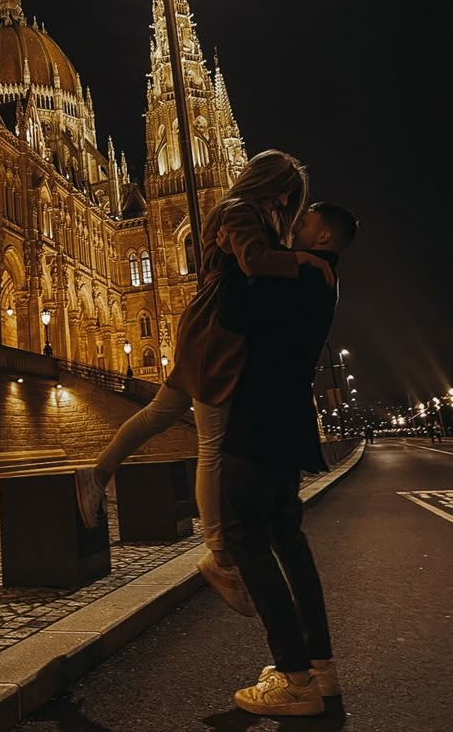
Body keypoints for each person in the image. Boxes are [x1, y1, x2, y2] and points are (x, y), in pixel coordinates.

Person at [75, 150, 334, 615]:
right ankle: (218, 554)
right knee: (210, 443)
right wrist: (302, 260)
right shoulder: (238, 211)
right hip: (217, 336)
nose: (284, 201)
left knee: (159, 414)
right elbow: (254, 262)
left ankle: (96, 475)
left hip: (206, 329)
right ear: (267, 184)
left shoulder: (240, 211)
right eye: (284, 192)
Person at [216, 201, 358, 717]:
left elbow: (236, 316)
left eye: (304, 223)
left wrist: (234, 258)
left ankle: (295, 677)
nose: (294, 226)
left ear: (323, 236)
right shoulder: (320, 276)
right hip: (287, 425)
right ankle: (321, 671)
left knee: (245, 539)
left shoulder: (301, 277)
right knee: (288, 544)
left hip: (260, 423)